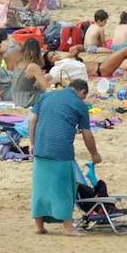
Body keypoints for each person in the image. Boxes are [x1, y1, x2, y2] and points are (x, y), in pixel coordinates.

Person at [30, 80, 101, 235]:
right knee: (64, 188)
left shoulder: (46, 96)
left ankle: (39, 225)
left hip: (41, 148)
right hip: (61, 151)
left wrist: (32, 143)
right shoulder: (79, 104)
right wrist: (94, 154)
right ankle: (68, 227)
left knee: (40, 188)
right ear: (82, 92)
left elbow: (33, 120)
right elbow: (87, 133)